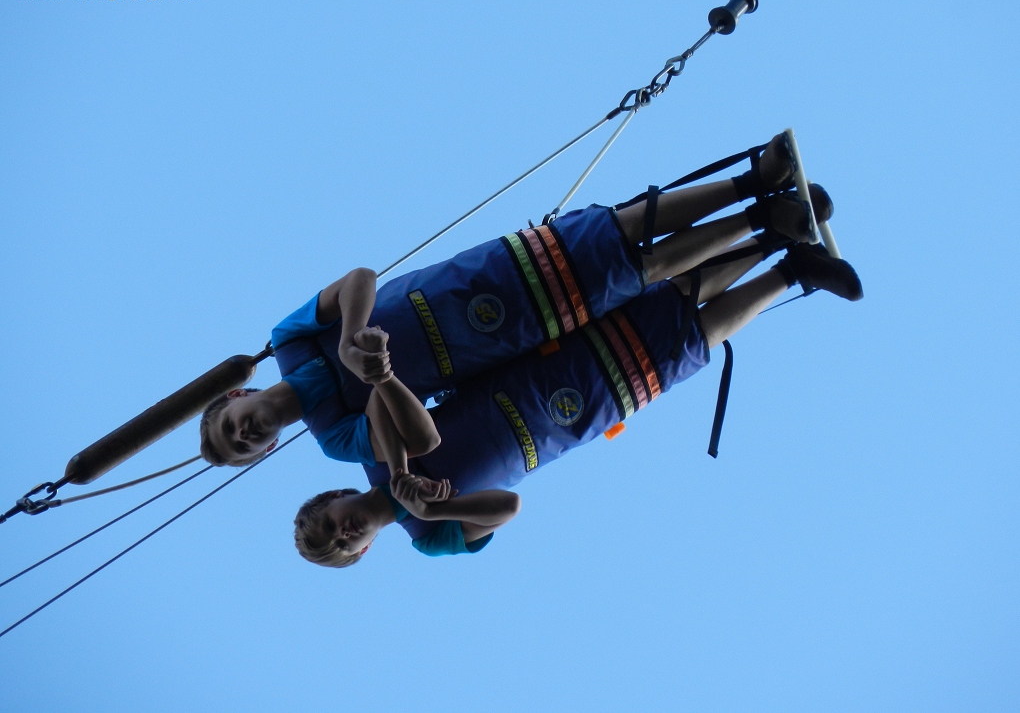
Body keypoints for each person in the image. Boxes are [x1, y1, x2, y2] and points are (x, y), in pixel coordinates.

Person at [200, 134, 830, 470]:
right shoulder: (336, 436)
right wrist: (383, 381)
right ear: (262, 451)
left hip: (477, 277)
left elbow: (357, 278)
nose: (248, 432)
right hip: (501, 337)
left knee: (617, 231)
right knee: (642, 270)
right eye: (245, 446)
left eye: (234, 427)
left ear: (235, 399)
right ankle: (767, 227)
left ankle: (753, 181)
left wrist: (349, 334)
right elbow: (415, 439)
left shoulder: (289, 342)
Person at [292, 234, 863, 566]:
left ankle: (769, 234)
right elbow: (505, 511)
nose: (341, 533)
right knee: (678, 347)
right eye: (338, 547)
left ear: (337, 497)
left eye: (330, 524)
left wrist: (398, 472)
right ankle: (792, 270)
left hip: (522, 377)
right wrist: (435, 508)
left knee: (658, 310)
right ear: (361, 554)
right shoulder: (426, 540)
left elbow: (382, 397)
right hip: (556, 428)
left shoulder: (368, 456)